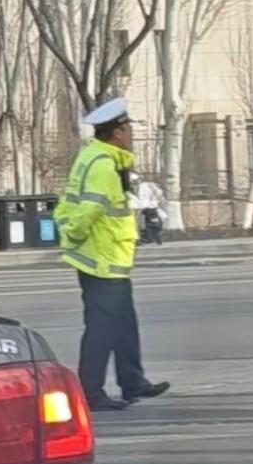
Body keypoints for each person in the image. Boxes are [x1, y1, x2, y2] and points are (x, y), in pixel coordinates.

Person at [54, 98, 171, 412]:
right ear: (117, 133)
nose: (131, 132)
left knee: (123, 322)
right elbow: (89, 209)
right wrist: (74, 235)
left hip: (110, 257)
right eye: (128, 127)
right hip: (102, 259)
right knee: (102, 327)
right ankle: (91, 392)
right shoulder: (104, 165)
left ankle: (133, 381)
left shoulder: (94, 156)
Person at [134, 177, 165, 245]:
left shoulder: (140, 187)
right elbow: (160, 195)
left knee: (139, 221)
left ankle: (142, 235)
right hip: (153, 207)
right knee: (160, 218)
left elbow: (137, 197)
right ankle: (156, 233)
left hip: (144, 207)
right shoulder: (152, 186)